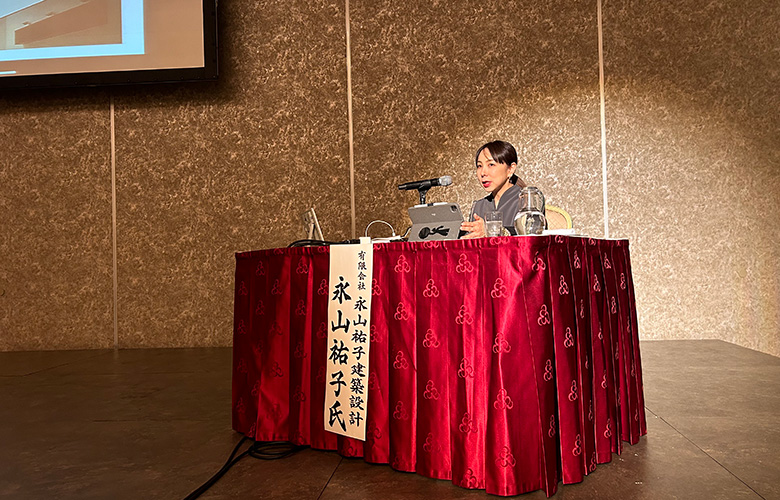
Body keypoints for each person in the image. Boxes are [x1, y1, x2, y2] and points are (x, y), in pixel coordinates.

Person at [460, 140, 526, 238]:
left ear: (511, 169)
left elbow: (531, 236)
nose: (483, 173)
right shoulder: (479, 206)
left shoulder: (527, 199)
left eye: (491, 165)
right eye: (479, 166)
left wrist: (490, 230)